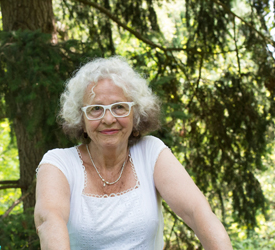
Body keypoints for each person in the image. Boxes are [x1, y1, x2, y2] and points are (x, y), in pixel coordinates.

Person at [34, 56, 233, 249]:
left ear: (135, 115)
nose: (109, 118)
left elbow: (197, 212)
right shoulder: (58, 163)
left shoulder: (151, 152)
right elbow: (49, 220)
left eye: (119, 107)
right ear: (81, 119)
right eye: (96, 109)